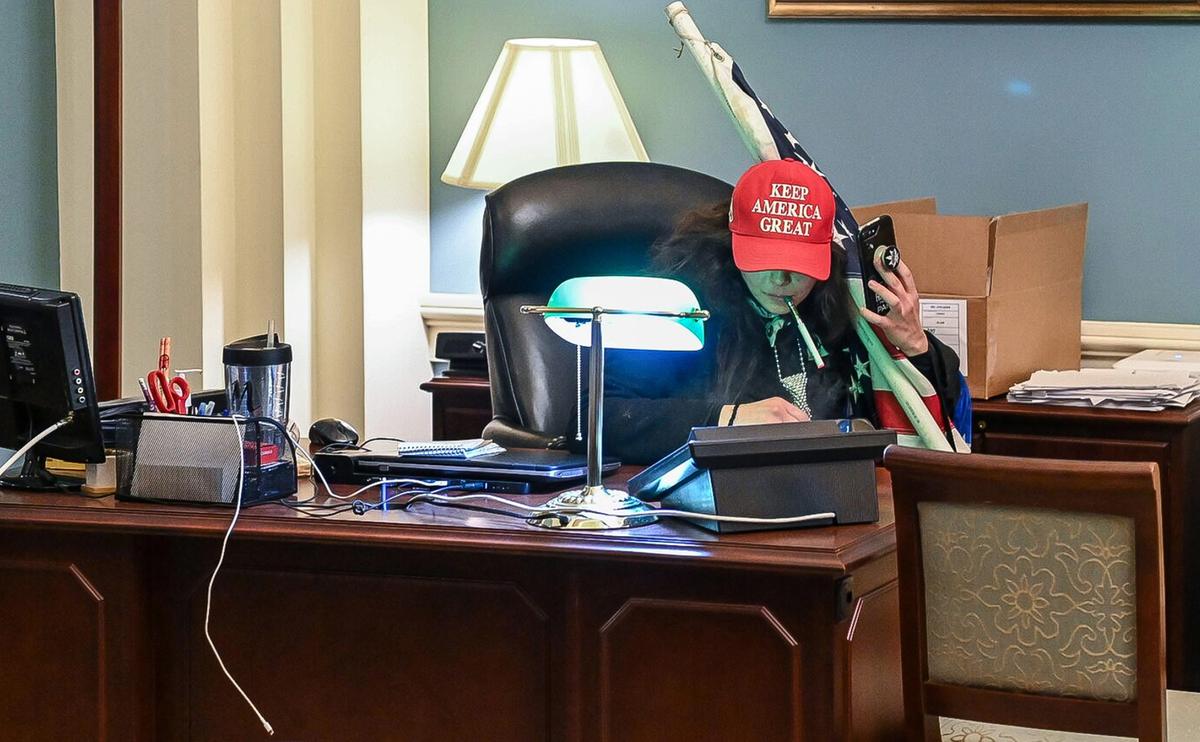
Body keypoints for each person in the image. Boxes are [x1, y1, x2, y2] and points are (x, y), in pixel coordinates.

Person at [582, 158, 961, 465]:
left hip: (839, 504)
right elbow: (597, 417)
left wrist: (915, 345)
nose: (781, 279)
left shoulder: (844, 298)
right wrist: (725, 419)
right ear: (732, 242)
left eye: (799, 264)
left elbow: (940, 413)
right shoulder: (681, 305)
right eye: (764, 259)